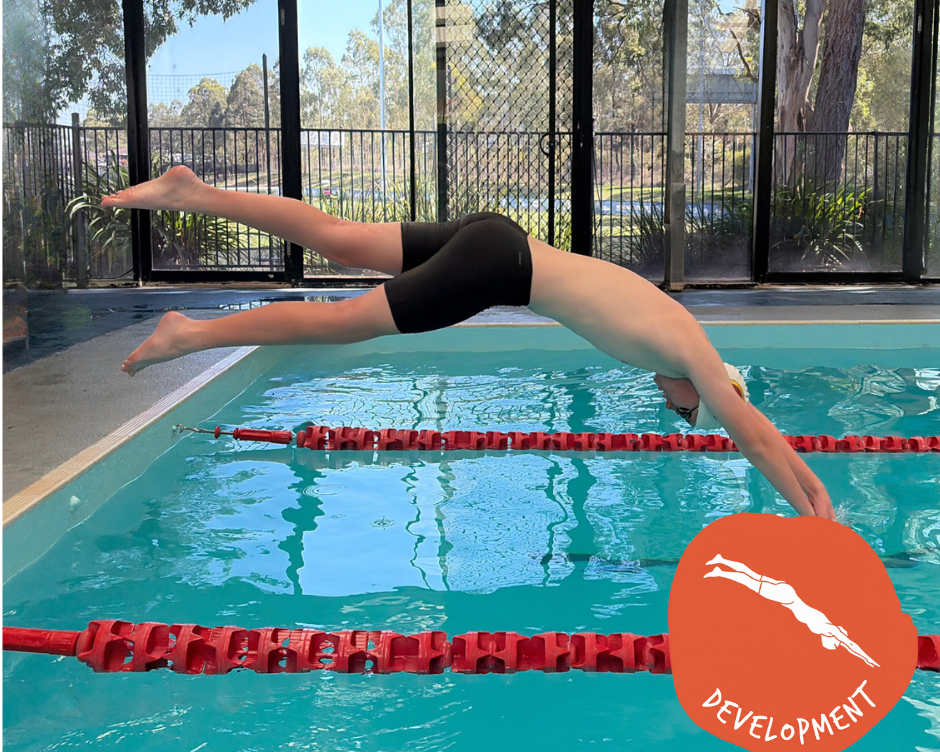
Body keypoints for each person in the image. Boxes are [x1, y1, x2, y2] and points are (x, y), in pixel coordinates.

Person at [103, 166, 836, 519]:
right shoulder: (695, 357)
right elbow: (759, 439)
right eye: (687, 412)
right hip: (498, 266)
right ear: (708, 390)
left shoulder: (671, 340)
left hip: (502, 241)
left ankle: (194, 193)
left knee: (340, 237)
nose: (677, 409)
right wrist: (816, 513)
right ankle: (190, 334)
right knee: (339, 323)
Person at [703, 554, 879, 667]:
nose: (829, 645)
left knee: (753, 575)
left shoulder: (825, 626)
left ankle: (721, 562)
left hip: (788, 594)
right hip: (786, 597)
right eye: (832, 645)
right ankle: (721, 571)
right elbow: (850, 645)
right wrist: (867, 659)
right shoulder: (828, 629)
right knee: (750, 582)